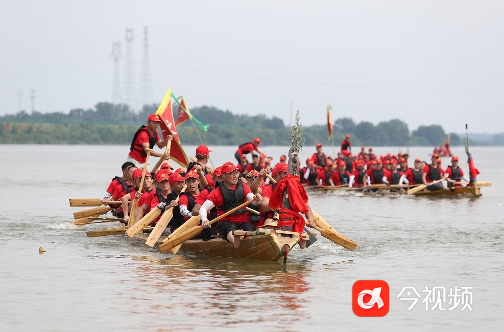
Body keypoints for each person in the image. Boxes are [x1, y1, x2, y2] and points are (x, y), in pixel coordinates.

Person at [200, 162, 262, 248]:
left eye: (236, 173)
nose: (235, 176)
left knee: (249, 228)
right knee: (230, 229)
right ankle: (237, 244)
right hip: (226, 223)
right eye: (231, 173)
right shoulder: (217, 192)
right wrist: (204, 219)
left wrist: (257, 199)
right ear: (223, 176)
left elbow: (254, 202)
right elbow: (203, 208)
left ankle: (246, 244)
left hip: (243, 222)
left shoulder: (243, 187)